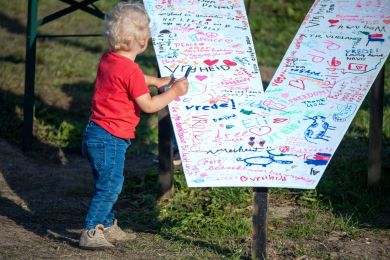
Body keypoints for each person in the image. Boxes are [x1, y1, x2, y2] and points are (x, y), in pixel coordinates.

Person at [79, 1, 188, 250]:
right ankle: (90, 229)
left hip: (95, 133)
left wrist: (156, 80)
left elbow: (133, 77)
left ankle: (106, 225)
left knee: (104, 182)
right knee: (111, 186)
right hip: (111, 138)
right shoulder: (130, 71)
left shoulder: (109, 59)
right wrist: (175, 92)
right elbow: (149, 105)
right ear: (143, 42)